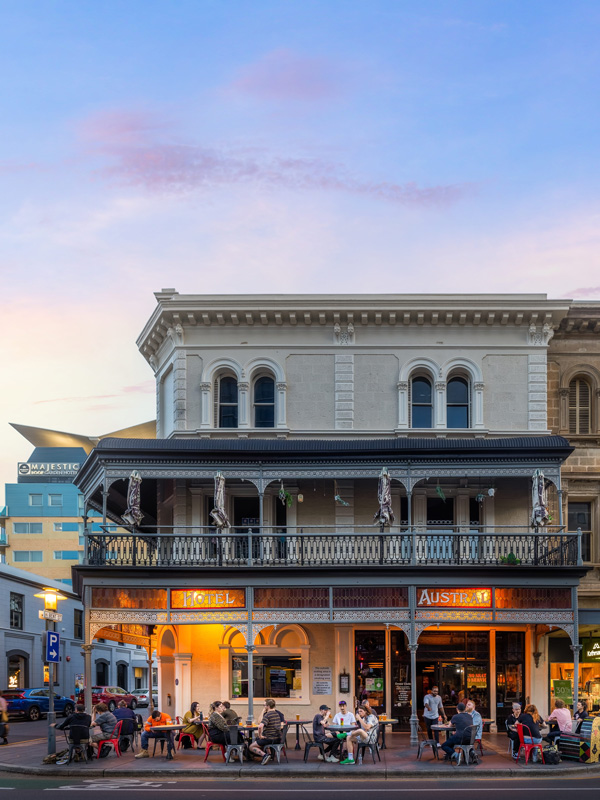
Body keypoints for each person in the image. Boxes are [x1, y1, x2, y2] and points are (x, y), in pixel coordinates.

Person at [249, 699, 283, 765]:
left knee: (251, 746)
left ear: (268, 706)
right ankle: (269, 755)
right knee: (263, 739)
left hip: (269, 739)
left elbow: (260, 726)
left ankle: (265, 755)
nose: (264, 707)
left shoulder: (267, 715)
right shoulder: (277, 714)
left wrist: (260, 735)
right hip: (277, 738)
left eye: (264, 705)